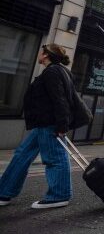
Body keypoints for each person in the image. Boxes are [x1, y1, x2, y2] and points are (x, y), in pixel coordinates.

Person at [0, 44, 73, 209]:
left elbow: (60, 100)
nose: (39, 54)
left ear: (46, 55)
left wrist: (61, 126)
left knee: (54, 158)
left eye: (41, 52)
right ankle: (4, 192)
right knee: (21, 155)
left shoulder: (53, 72)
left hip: (50, 124)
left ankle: (59, 195)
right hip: (42, 123)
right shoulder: (56, 71)